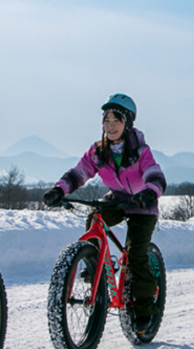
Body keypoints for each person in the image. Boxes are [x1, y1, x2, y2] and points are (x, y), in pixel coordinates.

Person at [43, 94, 166, 332]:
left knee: (136, 255)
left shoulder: (141, 150)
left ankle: (144, 309)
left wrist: (150, 192)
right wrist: (59, 189)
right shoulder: (99, 151)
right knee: (94, 220)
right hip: (117, 200)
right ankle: (95, 259)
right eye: (106, 120)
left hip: (143, 204)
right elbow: (79, 173)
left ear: (128, 123)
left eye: (116, 120)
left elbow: (155, 175)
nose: (110, 126)